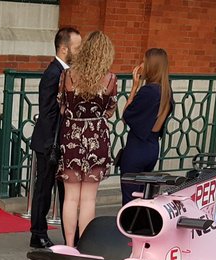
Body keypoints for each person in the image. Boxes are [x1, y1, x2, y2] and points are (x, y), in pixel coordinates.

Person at [57, 30, 116, 246]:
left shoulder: (68, 75)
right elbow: (109, 111)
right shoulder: (110, 79)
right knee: (89, 199)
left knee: (71, 197)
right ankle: (84, 246)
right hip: (97, 137)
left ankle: (70, 245)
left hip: (72, 136)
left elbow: (61, 106)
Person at [29, 27, 82, 249]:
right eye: (77, 47)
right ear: (64, 48)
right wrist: (56, 143)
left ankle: (71, 235)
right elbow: (48, 111)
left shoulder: (66, 73)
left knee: (64, 190)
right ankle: (38, 233)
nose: (80, 51)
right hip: (49, 142)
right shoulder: (53, 73)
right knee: (45, 188)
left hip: (60, 142)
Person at [119, 48, 173, 205]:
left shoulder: (148, 91)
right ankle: (140, 227)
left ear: (152, 66)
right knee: (143, 196)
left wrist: (134, 87)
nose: (141, 64)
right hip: (152, 148)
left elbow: (126, 116)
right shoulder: (166, 91)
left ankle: (129, 228)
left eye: (144, 61)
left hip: (137, 149)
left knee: (130, 198)